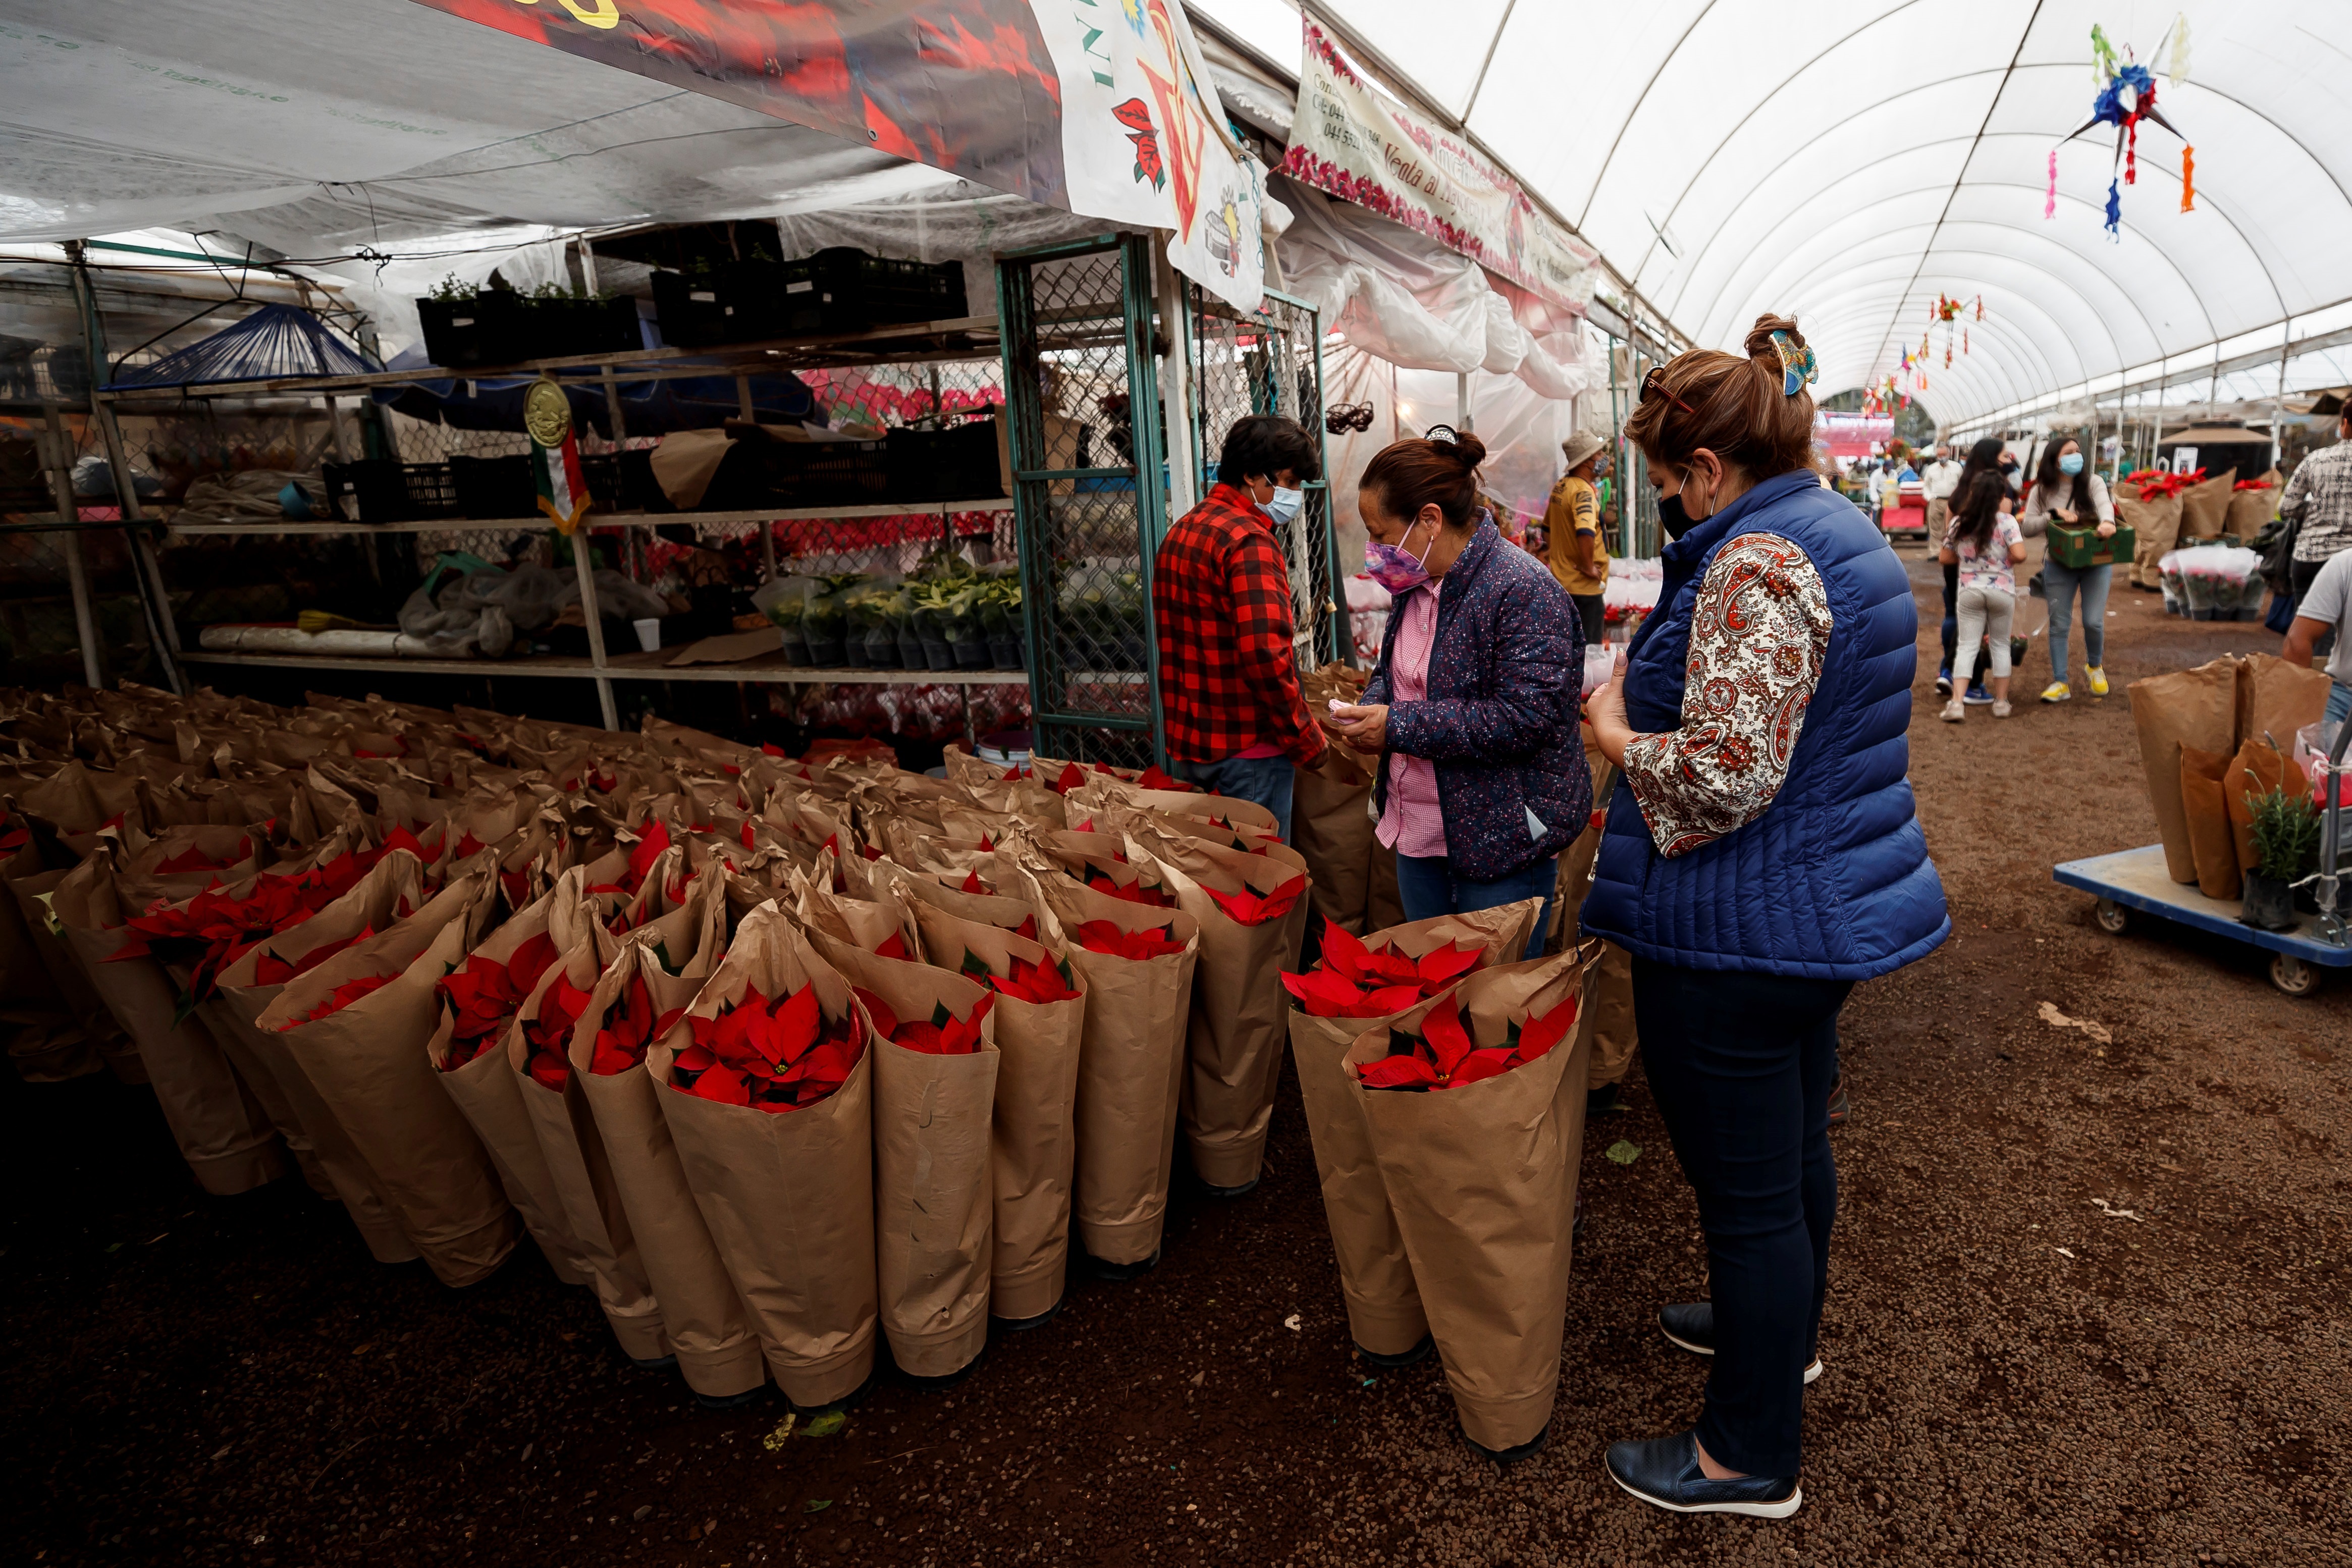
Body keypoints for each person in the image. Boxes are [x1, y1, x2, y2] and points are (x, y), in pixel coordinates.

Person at [1582, 314, 1948, 1518]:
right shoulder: (1832, 528)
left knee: (1745, 1194)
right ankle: (1771, 1342)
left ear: (1703, 468)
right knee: (1788, 1155)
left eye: (1667, 490)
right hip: (1804, 909)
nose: (1670, 514)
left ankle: (1745, 1455)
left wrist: (1618, 735)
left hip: (1736, 925)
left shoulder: (1757, 561)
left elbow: (1728, 767)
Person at [1329, 428, 1588, 970]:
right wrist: (1370, 709)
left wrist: (1397, 726)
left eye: (1381, 534)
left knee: (1492, 1008)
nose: (1375, 551)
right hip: (1421, 830)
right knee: (1435, 995)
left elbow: (1524, 717)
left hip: (1502, 837)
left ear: (1428, 520)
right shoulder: (1418, 584)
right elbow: (1393, 673)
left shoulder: (1522, 589)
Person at [1152, 413, 1327, 839]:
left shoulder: (1184, 530)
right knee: (1259, 888)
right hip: (1249, 752)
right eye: (1288, 481)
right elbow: (1266, 654)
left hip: (1193, 745)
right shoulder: (1250, 541)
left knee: (1213, 879)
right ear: (1251, 476)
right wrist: (1306, 738)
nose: (1295, 494)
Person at [2017, 435, 2117, 701]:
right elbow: (2027, 528)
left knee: (2093, 621)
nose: (2076, 456)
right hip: (2058, 564)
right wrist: (2053, 514)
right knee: (2059, 624)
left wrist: (2108, 522)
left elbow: (2105, 504)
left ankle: (2094, 666)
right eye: (2068, 452)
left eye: (2077, 451)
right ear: (2054, 460)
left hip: (2095, 563)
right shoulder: (2041, 491)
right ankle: (2060, 681)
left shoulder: (2094, 482)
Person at [1939, 474, 2025, 720]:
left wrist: (1968, 560)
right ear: (2001, 497)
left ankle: (1957, 703)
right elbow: (2019, 555)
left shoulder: (1959, 522)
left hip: (1970, 590)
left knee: (1967, 646)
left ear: (1972, 495)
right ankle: (2001, 702)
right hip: (2002, 591)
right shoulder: (2007, 522)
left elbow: (1945, 558)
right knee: (2000, 645)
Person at [1937, 438, 2009, 702]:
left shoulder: (1959, 493)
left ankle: (1946, 671)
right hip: (1982, 572)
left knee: (1953, 616)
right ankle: (1971, 684)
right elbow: (2006, 540)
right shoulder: (1998, 492)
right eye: (2004, 456)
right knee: (1977, 628)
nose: (2008, 459)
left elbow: (1948, 538)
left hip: (1956, 565)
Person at [2281, 405, 2352, 661]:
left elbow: (2286, 507)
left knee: (2308, 632)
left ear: (2345, 424)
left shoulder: (2316, 459)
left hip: (2310, 556)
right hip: (2349, 562)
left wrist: (2316, 510)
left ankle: (2309, 693)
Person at [1544, 430, 1611, 644]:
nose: (1604, 459)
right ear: (1586, 462)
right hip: (1584, 589)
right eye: (1600, 455)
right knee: (1588, 654)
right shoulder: (1583, 492)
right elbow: (1585, 532)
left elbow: (1547, 530)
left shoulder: (1561, 487)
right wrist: (1587, 565)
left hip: (1563, 582)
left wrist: (1562, 555)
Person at [2282, 545, 2352, 726]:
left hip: (2344, 698)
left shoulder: (2345, 563)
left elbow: (2296, 642)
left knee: (2307, 748)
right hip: (2345, 699)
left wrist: (2301, 709)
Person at [1920, 442, 1963, 537]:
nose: (1941, 457)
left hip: (1953, 502)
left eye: (1944, 455)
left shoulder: (1957, 467)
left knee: (1953, 528)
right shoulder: (1931, 469)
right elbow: (1926, 486)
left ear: (1949, 454)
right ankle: (1936, 552)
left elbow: (1963, 485)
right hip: (1936, 501)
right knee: (1935, 530)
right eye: (1939, 455)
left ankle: (1951, 551)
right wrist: (1930, 498)